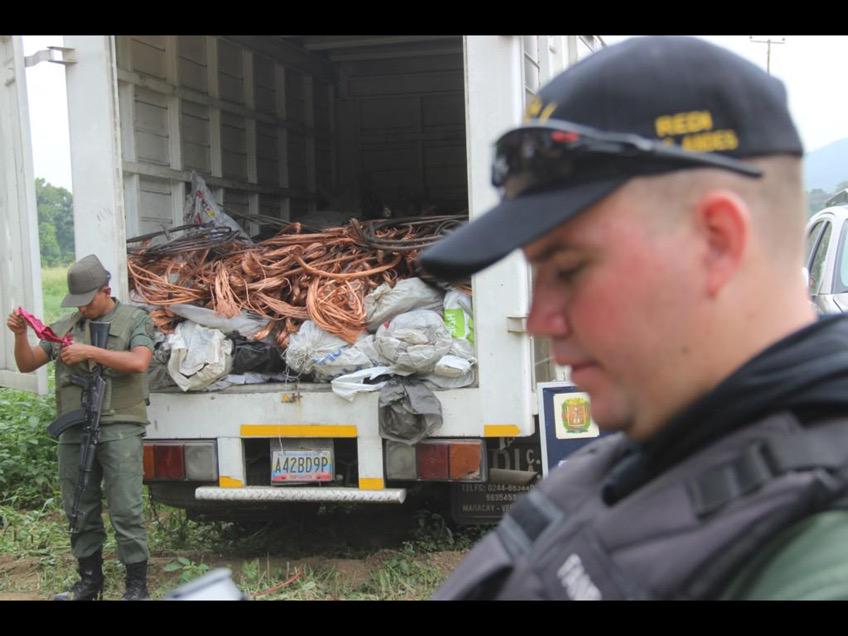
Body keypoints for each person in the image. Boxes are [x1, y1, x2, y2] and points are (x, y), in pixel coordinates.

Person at [420, 36, 848, 600]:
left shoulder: (818, 557)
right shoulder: (660, 443)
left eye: (569, 268)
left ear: (716, 243)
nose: (543, 318)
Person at [6, 254, 154, 600]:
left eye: (87, 302)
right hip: (75, 428)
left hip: (120, 424)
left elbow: (139, 361)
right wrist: (18, 335)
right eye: (78, 304)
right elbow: (27, 364)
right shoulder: (64, 327)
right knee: (78, 505)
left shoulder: (135, 319)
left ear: (106, 290)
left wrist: (90, 352)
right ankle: (89, 581)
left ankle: (136, 586)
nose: (83, 309)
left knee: (125, 508)